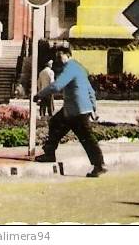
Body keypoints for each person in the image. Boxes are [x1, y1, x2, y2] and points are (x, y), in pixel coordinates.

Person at [33, 47, 106, 178]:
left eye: (60, 57)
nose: (58, 60)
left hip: (77, 111)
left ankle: (99, 164)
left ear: (68, 56)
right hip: (74, 109)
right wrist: (93, 107)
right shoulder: (79, 68)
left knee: (86, 138)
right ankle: (49, 153)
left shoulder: (69, 68)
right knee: (55, 123)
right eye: (56, 58)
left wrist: (40, 94)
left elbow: (57, 85)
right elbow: (90, 90)